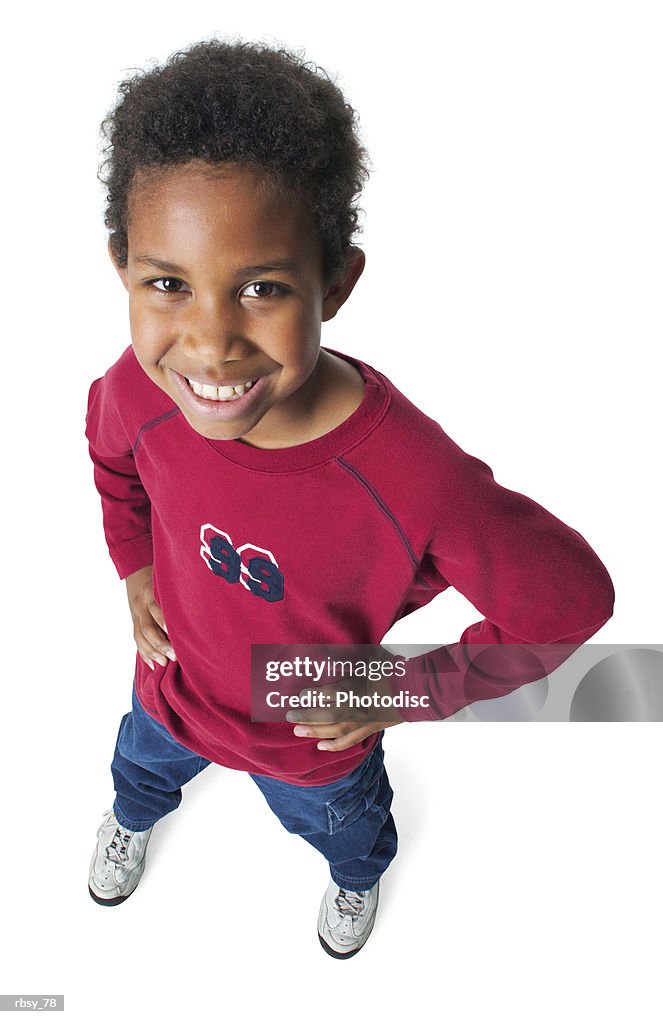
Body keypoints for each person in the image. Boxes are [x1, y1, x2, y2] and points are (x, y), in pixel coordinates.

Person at [85, 38, 615, 958]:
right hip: (170, 690)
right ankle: (135, 816)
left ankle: (355, 879)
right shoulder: (140, 388)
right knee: (136, 774)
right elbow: (110, 462)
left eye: (262, 288)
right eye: (167, 284)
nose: (210, 344)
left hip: (310, 735)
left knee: (349, 834)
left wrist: (407, 687)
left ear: (336, 281)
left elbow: (568, 603)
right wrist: (133, 563)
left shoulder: (412, 475)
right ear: (122, 267)